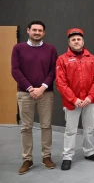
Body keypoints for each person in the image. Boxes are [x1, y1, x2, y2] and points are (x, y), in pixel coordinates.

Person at [11, 21, 57, 175]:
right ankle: (27, 159)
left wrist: (42, 87)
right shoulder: (18, 48)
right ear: (28, 30)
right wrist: (31, 88)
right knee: (26, 127)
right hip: (25, 93)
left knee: (46, 126)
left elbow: (53, 71)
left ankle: (46, 157)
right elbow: (15, 70)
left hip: (46, 93)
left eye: (40, 30)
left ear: (44, 33)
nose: (37, 32)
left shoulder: (51, 49)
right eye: (34, 30)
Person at [56, 28, 94, 171]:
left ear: (83, 41)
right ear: (69, 42)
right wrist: (74, 99)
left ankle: (89, 152)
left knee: (89, 128)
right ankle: (67, 156)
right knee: (70, 130)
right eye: (73, 40)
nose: (76, 42)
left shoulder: (92, 58)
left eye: (79, 39)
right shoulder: (62, 59)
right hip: (72, 102)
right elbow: (61, 83)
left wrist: (90, 96)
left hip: (89, 101)